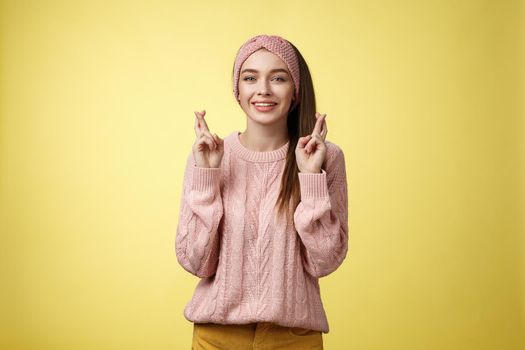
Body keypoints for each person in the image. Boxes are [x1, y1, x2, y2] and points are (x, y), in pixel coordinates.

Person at [175, 34, 349, 350]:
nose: (263, 90)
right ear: (237, 90)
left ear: (295, 90)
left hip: (294, 340)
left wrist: (310, 179)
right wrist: (207, 177)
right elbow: (196, 262)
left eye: (278, 78)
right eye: (250, 77)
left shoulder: (324, 156)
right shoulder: (208, 155)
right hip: (217, 337)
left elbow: (325, 261)